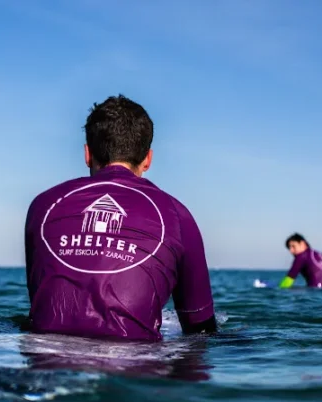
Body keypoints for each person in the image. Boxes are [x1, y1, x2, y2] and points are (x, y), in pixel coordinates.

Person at [24, 94, 216, 341]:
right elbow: (200, 327)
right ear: (148, 159)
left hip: (45, 362)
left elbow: (40, 307)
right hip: (134, 366)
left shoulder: (43, 205)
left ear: (87, 154)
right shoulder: (178, 215)